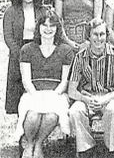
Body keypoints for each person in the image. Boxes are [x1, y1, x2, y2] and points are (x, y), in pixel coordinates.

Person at [15, 10, 73, 158]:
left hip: (56, 94)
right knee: (33, 116)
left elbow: (64, 82)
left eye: (52, 25)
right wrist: (37, 96)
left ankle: (39, 143)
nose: (48, 29)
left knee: (51, 116)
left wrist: (53, 96)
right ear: (38, 27)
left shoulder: (65, 51)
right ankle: (29, 144)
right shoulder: (27, 50)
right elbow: (26, 81)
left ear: (57, 28)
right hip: (33, 93)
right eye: (44, 25)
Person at [68, 18, 114, 157]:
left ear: (107, 36)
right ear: (88, 36)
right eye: (95, 34)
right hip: (87, 97)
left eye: (102, 34)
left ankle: (109, 148)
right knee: (75, 111)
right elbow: (71, 90)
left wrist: (105, 99)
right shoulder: (80, 57)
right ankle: (87, 149)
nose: (99, 38)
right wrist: (86, 99)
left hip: (110, 96)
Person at [3, 0, 46, 115]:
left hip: (38, 54)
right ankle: (20, 131)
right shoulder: (11, 11)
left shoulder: (43, 10)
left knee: (36, 93)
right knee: (19, 94)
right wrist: (21, 55)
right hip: (18, 54)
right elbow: (8, 37)